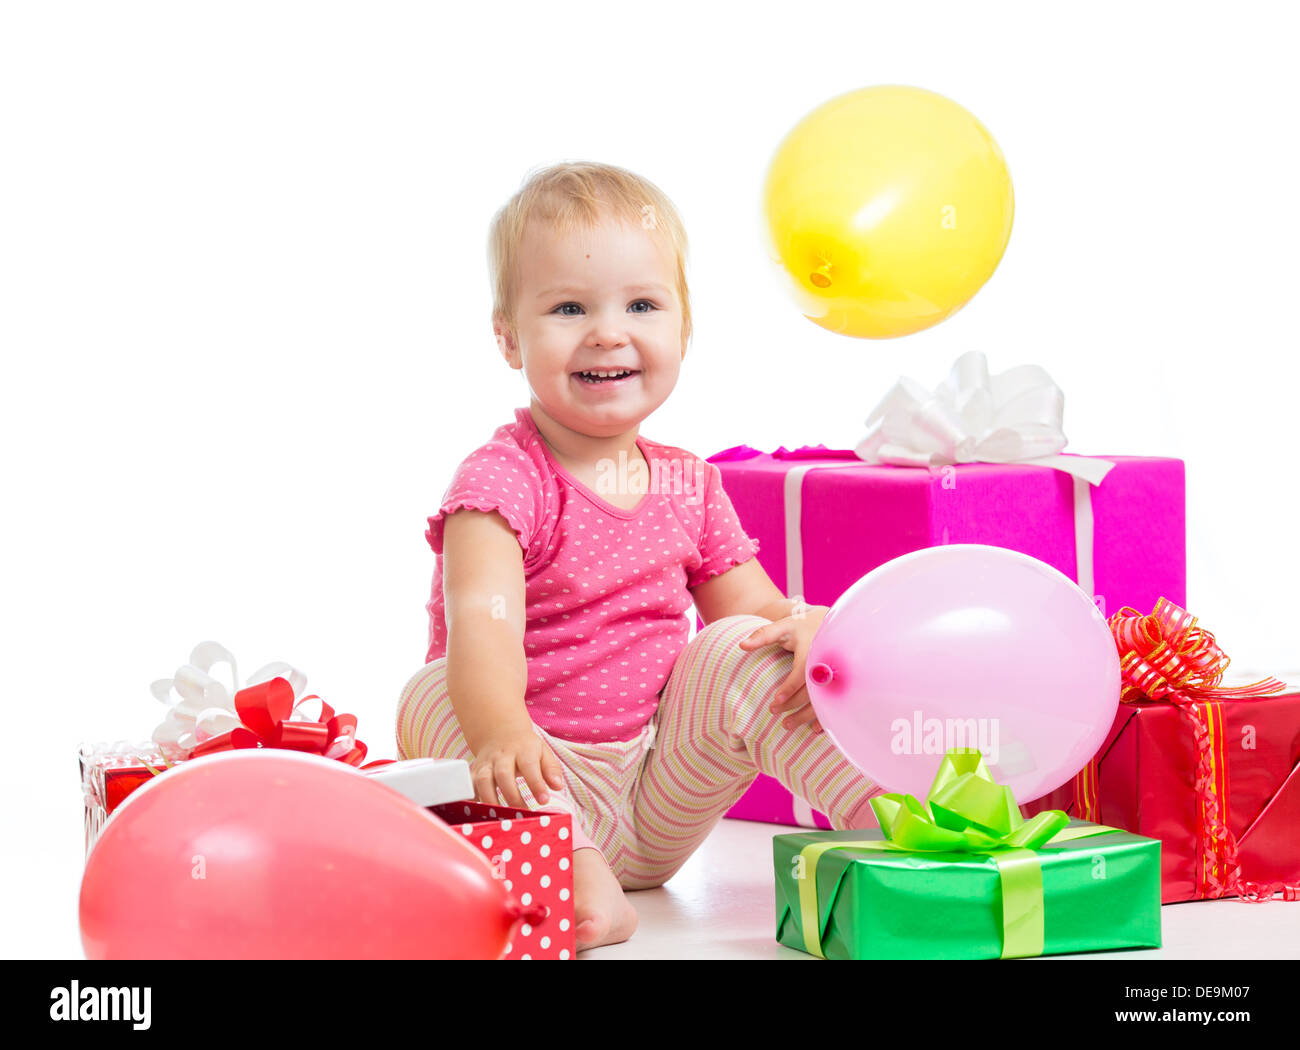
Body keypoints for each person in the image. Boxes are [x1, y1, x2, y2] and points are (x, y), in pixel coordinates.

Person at [396, 161, 882, 953]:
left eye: (642, 305)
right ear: (509, 337)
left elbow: (752, 616)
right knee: (431, 694)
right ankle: (571, 875)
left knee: (743, 651)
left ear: (684, 329)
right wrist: (501, 734)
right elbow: (479, 627)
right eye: (568, 308)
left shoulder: (690, 482)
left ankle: (893, 821)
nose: (608, 331)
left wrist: (806, 626)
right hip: (532, 784)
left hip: (658, 794)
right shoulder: (500, 482)